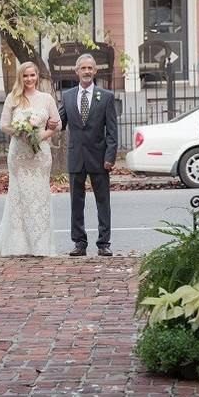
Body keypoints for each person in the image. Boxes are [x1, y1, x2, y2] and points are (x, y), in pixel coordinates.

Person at [0, 62, 61, 258]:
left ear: (37, 76)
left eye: (32, 75)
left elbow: (57, 124)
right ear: (21, 77)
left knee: (39, 197)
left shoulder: (46, 99)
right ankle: (18, 245)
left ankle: (40, 245)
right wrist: (20, 132)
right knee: (19, 198)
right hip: (19, 155)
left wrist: (40, 136)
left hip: (40, 156)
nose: (29, 79)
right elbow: (3, 125)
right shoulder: (13, 98)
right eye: (25, 76)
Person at [58, 54, 118, 257]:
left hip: (99, 158)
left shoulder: (106, 96)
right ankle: (79, 243)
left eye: (90, 68)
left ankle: (104, 243)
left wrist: (110, 157)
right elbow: (60, 123)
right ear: (76, 71)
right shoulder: (67, 96)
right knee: (76, 202)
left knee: (103, 202)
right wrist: (43, 122)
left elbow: (112, 131)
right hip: (76, 157)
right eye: (83, 68)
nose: (86, 71)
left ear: (95, 71)